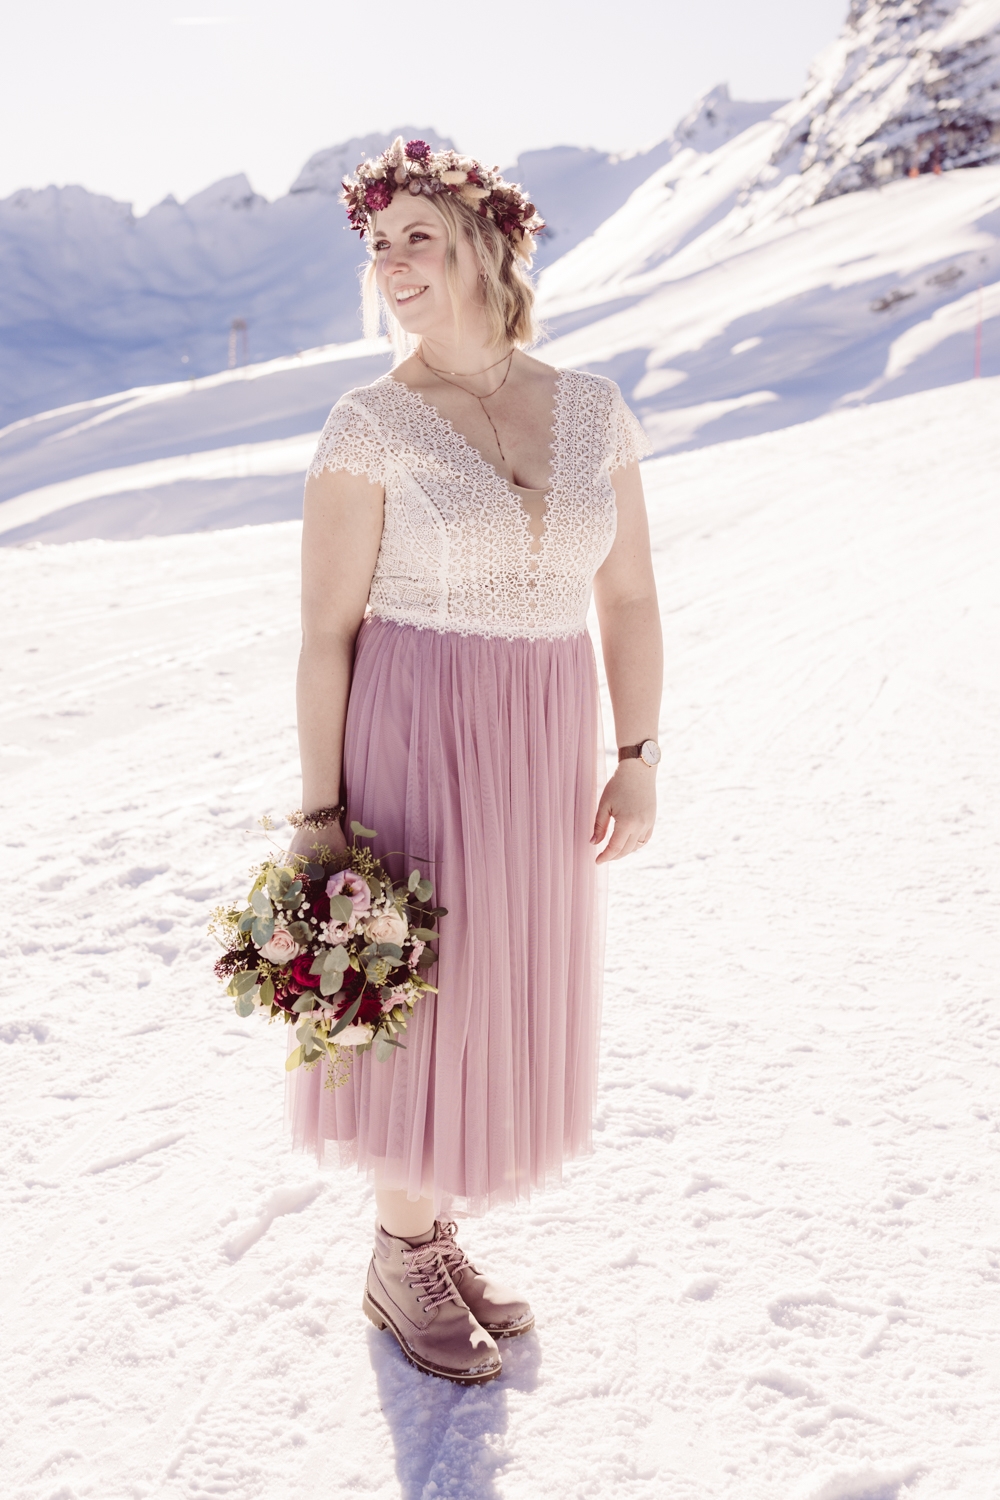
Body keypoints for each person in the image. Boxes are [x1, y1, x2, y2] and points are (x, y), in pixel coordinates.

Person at [285, 138, 662, 1385]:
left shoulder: (592, 407)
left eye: (416, 238)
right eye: (376, 244)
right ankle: (401, 1254)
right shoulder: (371, 423)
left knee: (498, 986)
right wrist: (321, 812)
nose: (391, 264)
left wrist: (637, 752)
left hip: (543, 725)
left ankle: (431, 1235)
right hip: (413, 723)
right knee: (421, 993)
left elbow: (630, 606)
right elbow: (326, 633)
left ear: (489, 246)